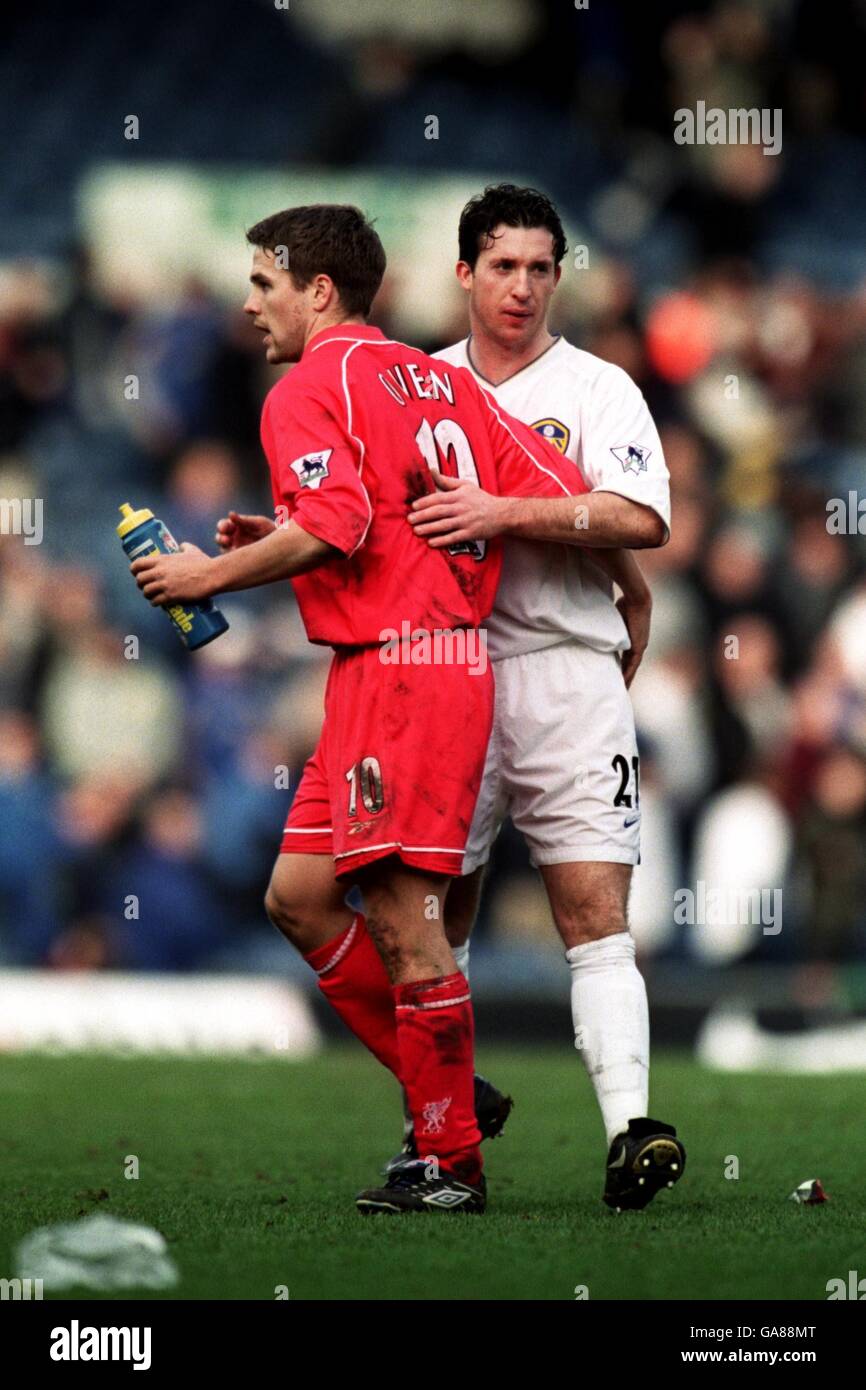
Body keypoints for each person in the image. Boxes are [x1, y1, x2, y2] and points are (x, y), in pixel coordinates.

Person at [130, 202, 602, 1215]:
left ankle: (448, 1162)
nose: (248, 305)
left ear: (316, 290)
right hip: (400, 667)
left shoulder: (308, 384)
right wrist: (292, 533)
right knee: (296, 896)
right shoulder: (437, 378)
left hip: (401, 673)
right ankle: (451, 1096)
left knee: (401, 921)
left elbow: (337, 523)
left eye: (262, 285)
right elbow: (555, 495)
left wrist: (206, 574)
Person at [407, 184, 685, 1211]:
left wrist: (506, 510)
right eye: (501, 265)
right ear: (464, 273)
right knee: (436, 912)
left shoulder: (601, 387)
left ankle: (628, 1131)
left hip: (569, 670)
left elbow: (638, 515)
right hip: (447, 665)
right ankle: (437, 1141)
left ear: (557, 274)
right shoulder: (416, 385)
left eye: (538, 266)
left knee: (591, 911)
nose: (521, 286)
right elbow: (372, 519)